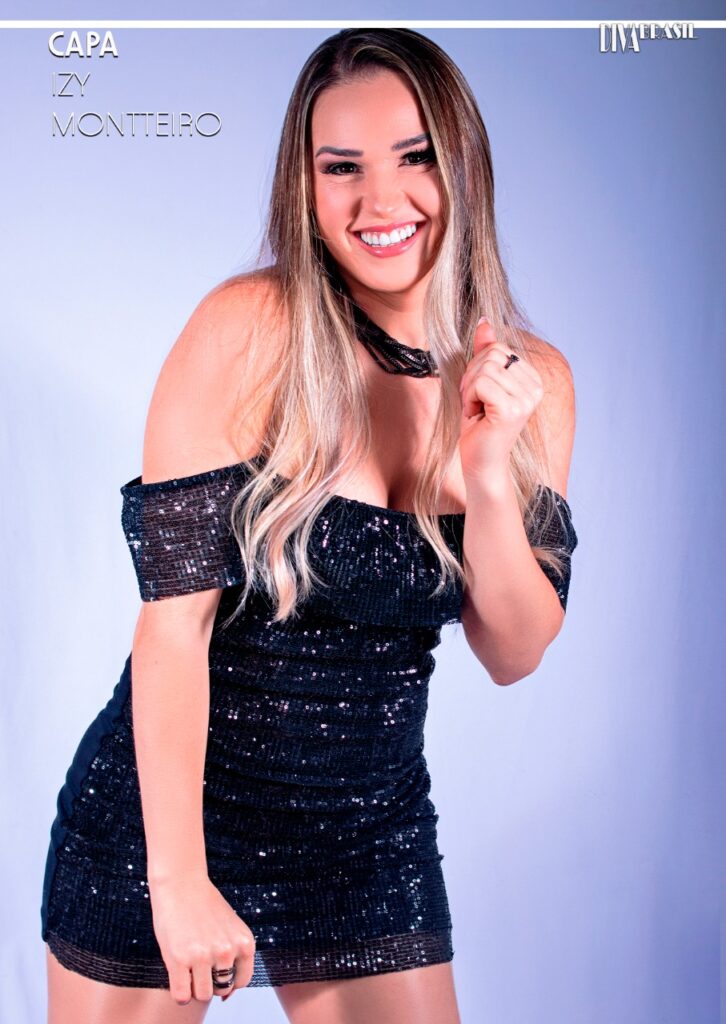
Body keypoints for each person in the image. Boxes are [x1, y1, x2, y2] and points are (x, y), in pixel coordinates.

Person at [41, 27, 578, 1024]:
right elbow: (173, 629)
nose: (381, 202)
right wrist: (178, 882)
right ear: (307, 185)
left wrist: (489, 475)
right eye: (343, 168)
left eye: (415, 157)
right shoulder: (250, 332)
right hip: (167, 823)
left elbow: (514, 650)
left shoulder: (529, 382)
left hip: (367, 840)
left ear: (464, 164)